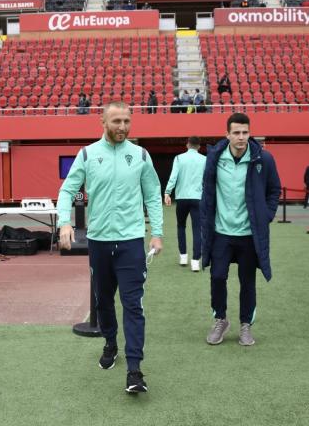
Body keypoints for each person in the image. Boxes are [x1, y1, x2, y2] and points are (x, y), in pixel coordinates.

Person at [57, 102, 163, 394]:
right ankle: (110, 343)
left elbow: (153, 195)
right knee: (103, 301)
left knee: (133, 305)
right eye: (116, 121)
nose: (122, 127)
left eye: (127, 121)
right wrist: (64, 222)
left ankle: (134, 370)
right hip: (100, 242)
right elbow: (67, 189)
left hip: (131, 242)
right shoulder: (88, 154)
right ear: (102, 121)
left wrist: (157, 233)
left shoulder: (140, 155)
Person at [200, 113, 282, 347]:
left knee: (247, 282)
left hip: (249, 235)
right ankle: (221, 320)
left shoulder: (263, 159)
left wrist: (266, 215)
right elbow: (207, 191)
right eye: (236, 132)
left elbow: (274, 190)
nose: (241, 137)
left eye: (245, 132)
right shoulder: (215, 157)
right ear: (227, 134)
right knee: (217, 277)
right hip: (221, 233)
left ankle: (246, 325)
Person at [164, 136, 207, 271]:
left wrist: (167, 192)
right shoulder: (205, 160)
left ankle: (183, 256)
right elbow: (207, 180)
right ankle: (195, 261)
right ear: (199, 147)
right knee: (197, 229)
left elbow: (173, 176)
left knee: (181, 226)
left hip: (182, 198)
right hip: (198, 198)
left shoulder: (179, 158)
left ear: (187, 145)